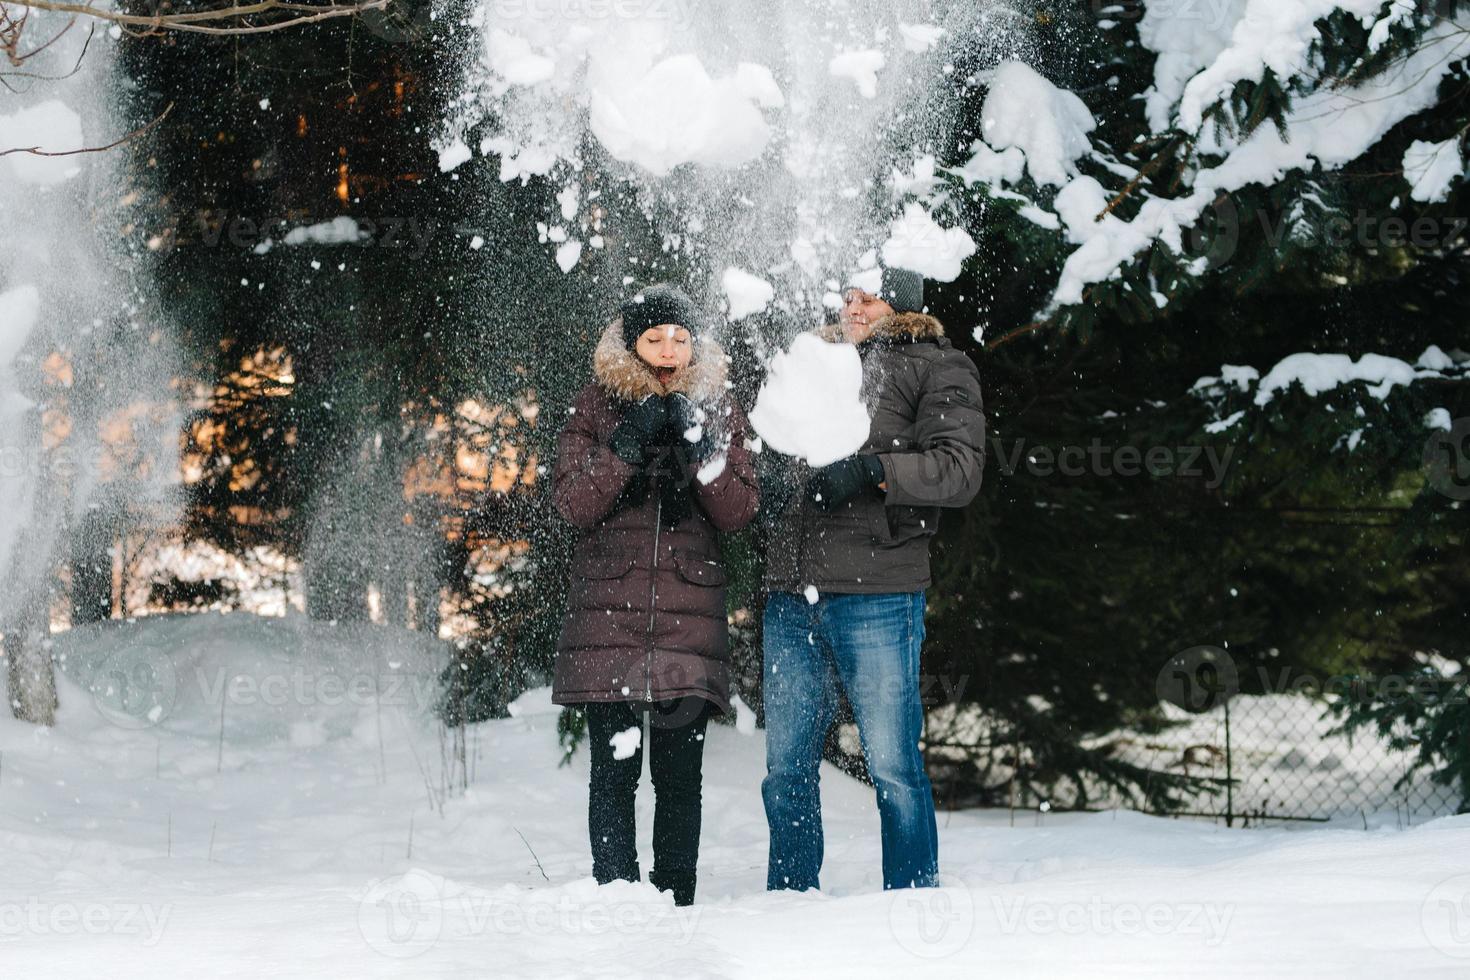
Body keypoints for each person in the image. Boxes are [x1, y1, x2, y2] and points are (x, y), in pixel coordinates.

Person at [758, 266, 985, 892]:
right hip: (792, 589)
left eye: (872, 296)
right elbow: (771, 438)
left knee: (890, 763)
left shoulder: (937, 365)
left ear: (904, 301)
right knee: (785, 768)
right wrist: (769, 474)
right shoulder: (814, 360)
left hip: (879, 591)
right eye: (849, 295)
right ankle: (789, 900)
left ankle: (912, 899)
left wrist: (874, 471)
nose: (856, 308)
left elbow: (959, 467)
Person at [551, 283, 760, 907]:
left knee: (678, 780)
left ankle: (675, 904)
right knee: (613, 775)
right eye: (654, 338)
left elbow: (740, 510)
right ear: (631, 343)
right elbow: (572, 503)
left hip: (688, 621)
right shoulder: (597, 404)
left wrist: (703, 453)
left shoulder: (720, 407)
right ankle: (617, 901)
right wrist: (625, 446)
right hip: (608, 617)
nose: (668, 351)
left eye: (680, 338)